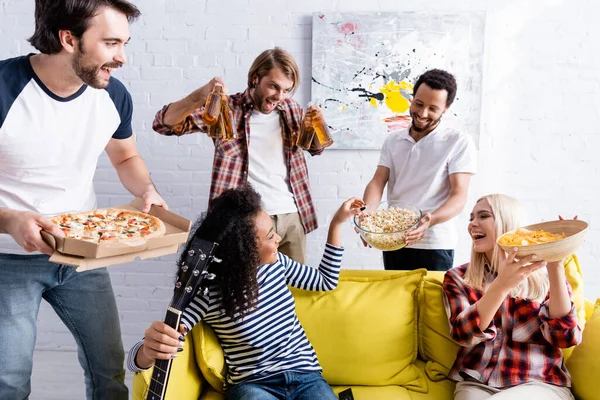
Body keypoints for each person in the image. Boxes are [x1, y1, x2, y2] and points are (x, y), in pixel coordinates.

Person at [0, 1, 166, 398]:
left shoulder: (112, 94)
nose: (122, 57)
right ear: (68, 38)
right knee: (9, 380)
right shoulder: (4, 88)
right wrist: (8, 221)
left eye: (124, 43)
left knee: (108, 370)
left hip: (84, 251)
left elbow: (125, 155)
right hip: (8, 259)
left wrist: (145, 188)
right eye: (111, 43)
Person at [127, 185, 363, 399]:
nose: (279, 239)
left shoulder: (278, 263)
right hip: (253, 385)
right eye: (270, 236)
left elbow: (325, 281)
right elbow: (164, 343)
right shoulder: (208, 293)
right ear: (244, 250)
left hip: (305, 376)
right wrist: (147, 351)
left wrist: (337, 223)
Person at [152, 47, 327, 264]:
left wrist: (319, 126)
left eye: (286, 90)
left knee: (294, 294)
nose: (279, 97)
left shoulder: (292, 109)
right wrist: (199, 96)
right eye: (273, 86)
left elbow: (316, 149)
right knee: (246, 294)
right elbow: (163, 125)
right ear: (255, 78)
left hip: (291, 217)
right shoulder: (226, 109)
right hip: (247, 221)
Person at [443, 194, 581, 400]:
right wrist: (501, 286)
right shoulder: (457, 278)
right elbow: (464, 336)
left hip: (539, 382)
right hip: (477, 382)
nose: (472, 224)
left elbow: (565, 337)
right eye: (471, 218)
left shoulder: (544, 278)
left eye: (483, 216)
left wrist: (555, 263)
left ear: (507, 221)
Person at [363, 69, 477, 271]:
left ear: (446, 108)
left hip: (434, 242)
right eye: (419, 104)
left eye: (433, 108)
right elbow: (378, 181)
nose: (423, 114)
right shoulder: (393, 140)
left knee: (430, 302)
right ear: (411, 99)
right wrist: (368, 214)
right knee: (396, 300)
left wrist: (429, 220)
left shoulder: (458, 141)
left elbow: (459, 196)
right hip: (394, 238)